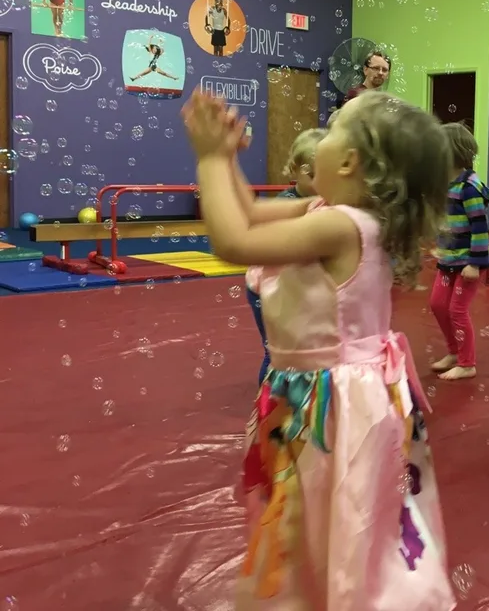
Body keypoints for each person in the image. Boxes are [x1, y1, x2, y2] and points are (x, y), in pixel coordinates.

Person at [181, 87, 456, 610]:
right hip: (314, 394)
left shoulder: (341, 226)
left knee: (333, 513)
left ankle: (348, 597)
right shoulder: (326, 210)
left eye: (331, 130)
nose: (319, 139)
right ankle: (321, 592)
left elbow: (233, 242)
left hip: (332, 404)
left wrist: (211, 159)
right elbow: (249, 213)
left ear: (349, 161)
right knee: (314, 514)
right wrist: (229, 162)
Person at [244, 127, 326, 384]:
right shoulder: (286, 204)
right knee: (276, 352)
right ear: (295, 171)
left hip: (296, 288)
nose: (320, 183)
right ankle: (268, 400)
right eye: (313, 175)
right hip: (268, 287)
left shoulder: (327, 202)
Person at [430, 122, 489, 381]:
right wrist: (439, 245)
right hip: (449, 258)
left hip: (467, 261)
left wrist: (475, 263)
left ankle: (467, 363)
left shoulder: (469, 187)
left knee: (457, 309)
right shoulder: (446, 184)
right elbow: (446, 219)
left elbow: (480, 227)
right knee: (437, 304)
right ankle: (454, 351)